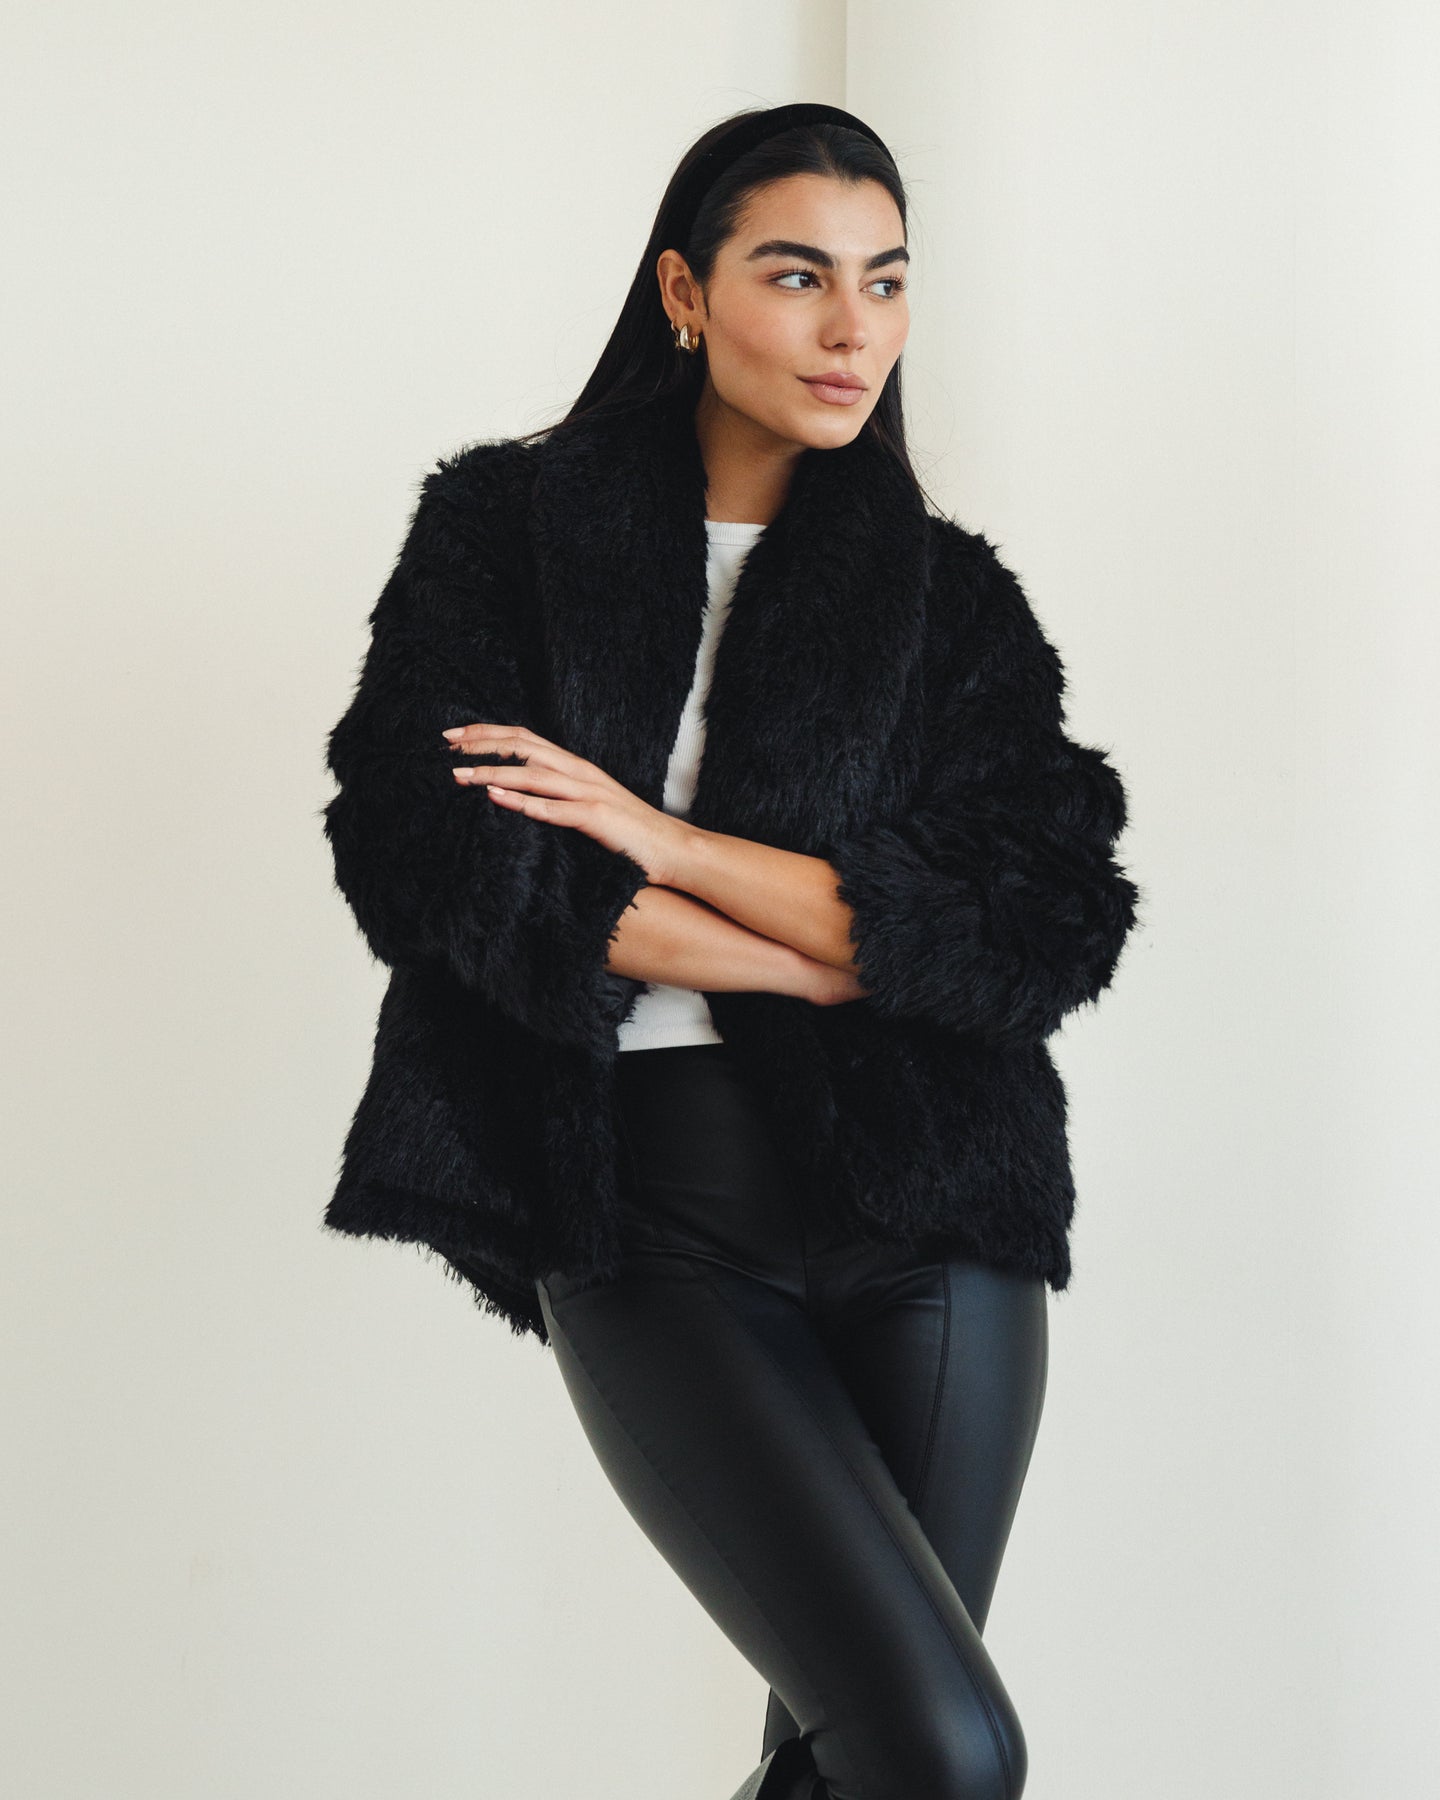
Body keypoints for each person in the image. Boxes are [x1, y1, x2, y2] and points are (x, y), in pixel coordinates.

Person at [321, 101, 1142, 1800]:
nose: (855, 330)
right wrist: (836, 947)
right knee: (945, 1749)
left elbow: (1037, 922)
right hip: (646, 1207)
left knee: (862, 1764)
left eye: (887, 281)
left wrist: (660, 836)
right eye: (798, 275)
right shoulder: (503, 531)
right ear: (686, 293)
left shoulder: (949, 598)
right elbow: (438, 856)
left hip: (936, 1209)